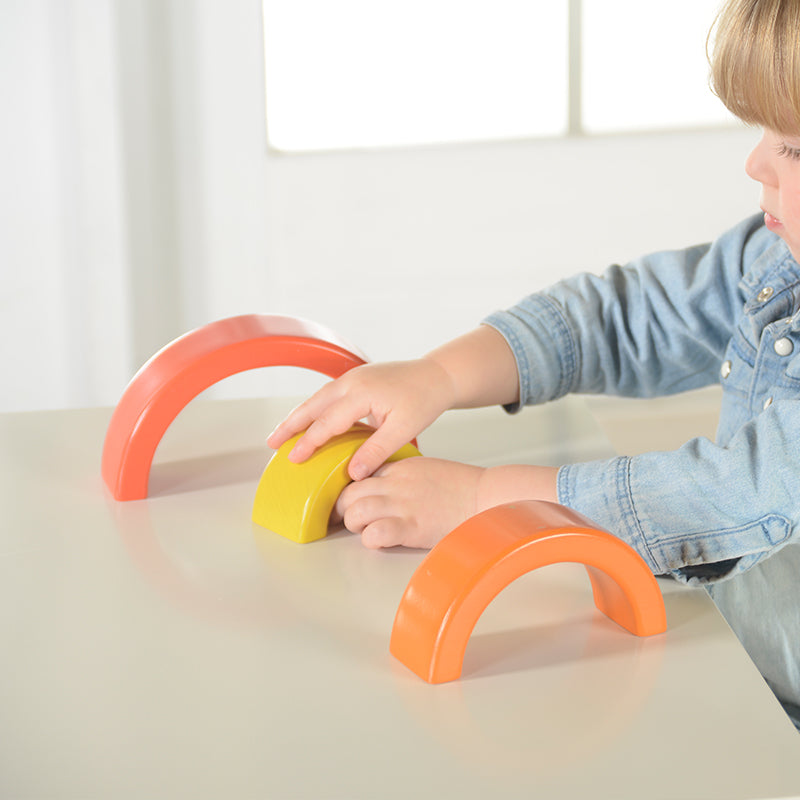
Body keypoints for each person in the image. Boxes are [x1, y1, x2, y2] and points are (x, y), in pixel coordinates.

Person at [268, 0, 800, 730]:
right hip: (746, 668)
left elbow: (734, 493)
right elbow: (632, 317)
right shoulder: (778, 260)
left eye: (794, 149)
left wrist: (482, 501)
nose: (755, 163)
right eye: (765, 133)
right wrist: (440, 375)